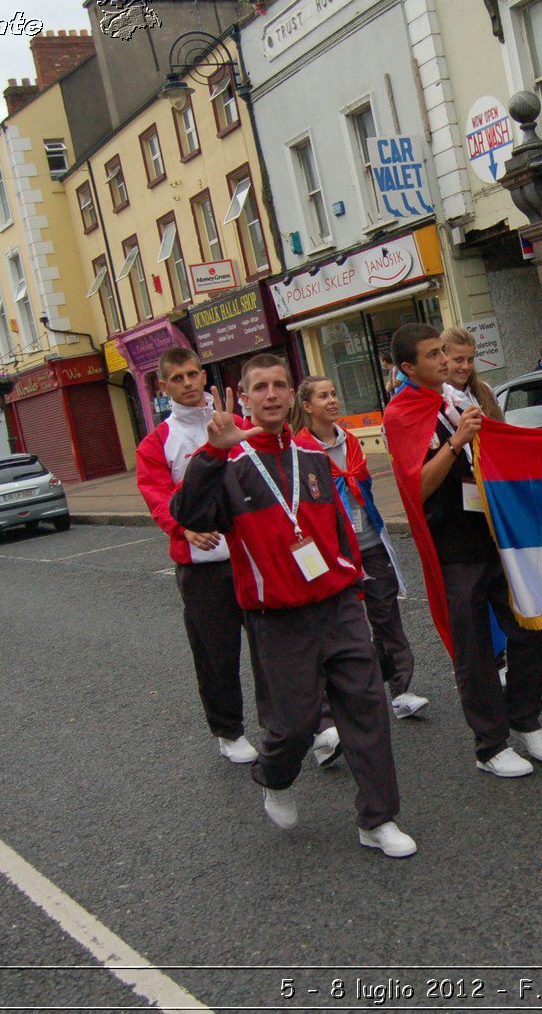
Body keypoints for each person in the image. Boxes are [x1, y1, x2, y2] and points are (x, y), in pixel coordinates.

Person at [172, 355, 415, 857]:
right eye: (259, 387)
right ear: (244, 398)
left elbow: (339, 532)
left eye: (280, 384)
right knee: (294, 724)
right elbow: (189, 514)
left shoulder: (312, 456)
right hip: (277, 618)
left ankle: (378, 819)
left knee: (367, 710)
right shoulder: (229, 465)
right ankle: (274, 775)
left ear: (290, 395)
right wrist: (210, 456)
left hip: (338, 605)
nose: (272, 394)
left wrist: (357, 586)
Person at [383, 322, 542, 778]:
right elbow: (415, 489)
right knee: (475, 650)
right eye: (432, 355)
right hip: (452, 547)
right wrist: (455, 441)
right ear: (408, 367)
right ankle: (490, 744)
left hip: (494, 534)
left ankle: (523, 715)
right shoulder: (402, 412)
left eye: (444, 352)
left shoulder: (459, 397)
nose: (445, 361)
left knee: (536, 629)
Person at [134, 347, 259, 766]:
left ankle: (302, 722)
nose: (188, 384)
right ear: (164, 386)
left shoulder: (235, 423)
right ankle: (229, 730)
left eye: (193, 375)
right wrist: (183, 529)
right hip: (203, 568)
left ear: (204, 376)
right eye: (178, 379)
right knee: (216, 654)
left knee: (274, 644)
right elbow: (156, 498)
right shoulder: (157, 442)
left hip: (251, 557)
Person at [439, 326, 542, 684]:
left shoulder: (483, 392)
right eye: (458, 359)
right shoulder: (436, 401)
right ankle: (501, 660)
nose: (465, 366)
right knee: (491, 588)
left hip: (501, 497)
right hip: (466, 508)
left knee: (531, 577)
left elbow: (505, 439)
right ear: (442, 358)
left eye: (470, 359)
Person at [291, 375, 429, 720]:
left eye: (334, 393)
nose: (332, 400)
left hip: (370, 540)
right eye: (323, 396)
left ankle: (401, 690)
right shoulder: (299, 450)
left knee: (387, 616)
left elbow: (362, 487)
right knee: (339, 628)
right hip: (332, 552)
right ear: (307, 407)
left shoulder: (351, 442)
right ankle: (335, 706)